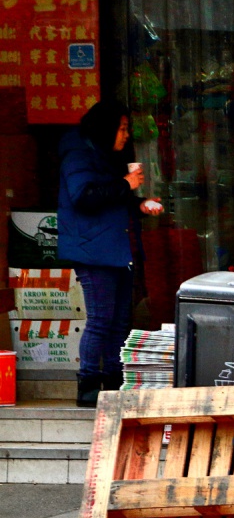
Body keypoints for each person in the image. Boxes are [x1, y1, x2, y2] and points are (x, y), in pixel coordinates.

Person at [58, 101, 163, 408]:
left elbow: (112, 199)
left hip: (117, 246)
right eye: (122, 128)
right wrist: (125, 184)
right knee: (101, 319)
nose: (126, 135)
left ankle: (116, 381)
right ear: (105, 129)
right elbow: (84, 197)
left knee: (119, 321)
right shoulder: (77, 153)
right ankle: (89, 385)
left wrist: (139, 204)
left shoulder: (106, 154)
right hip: (94, 250)